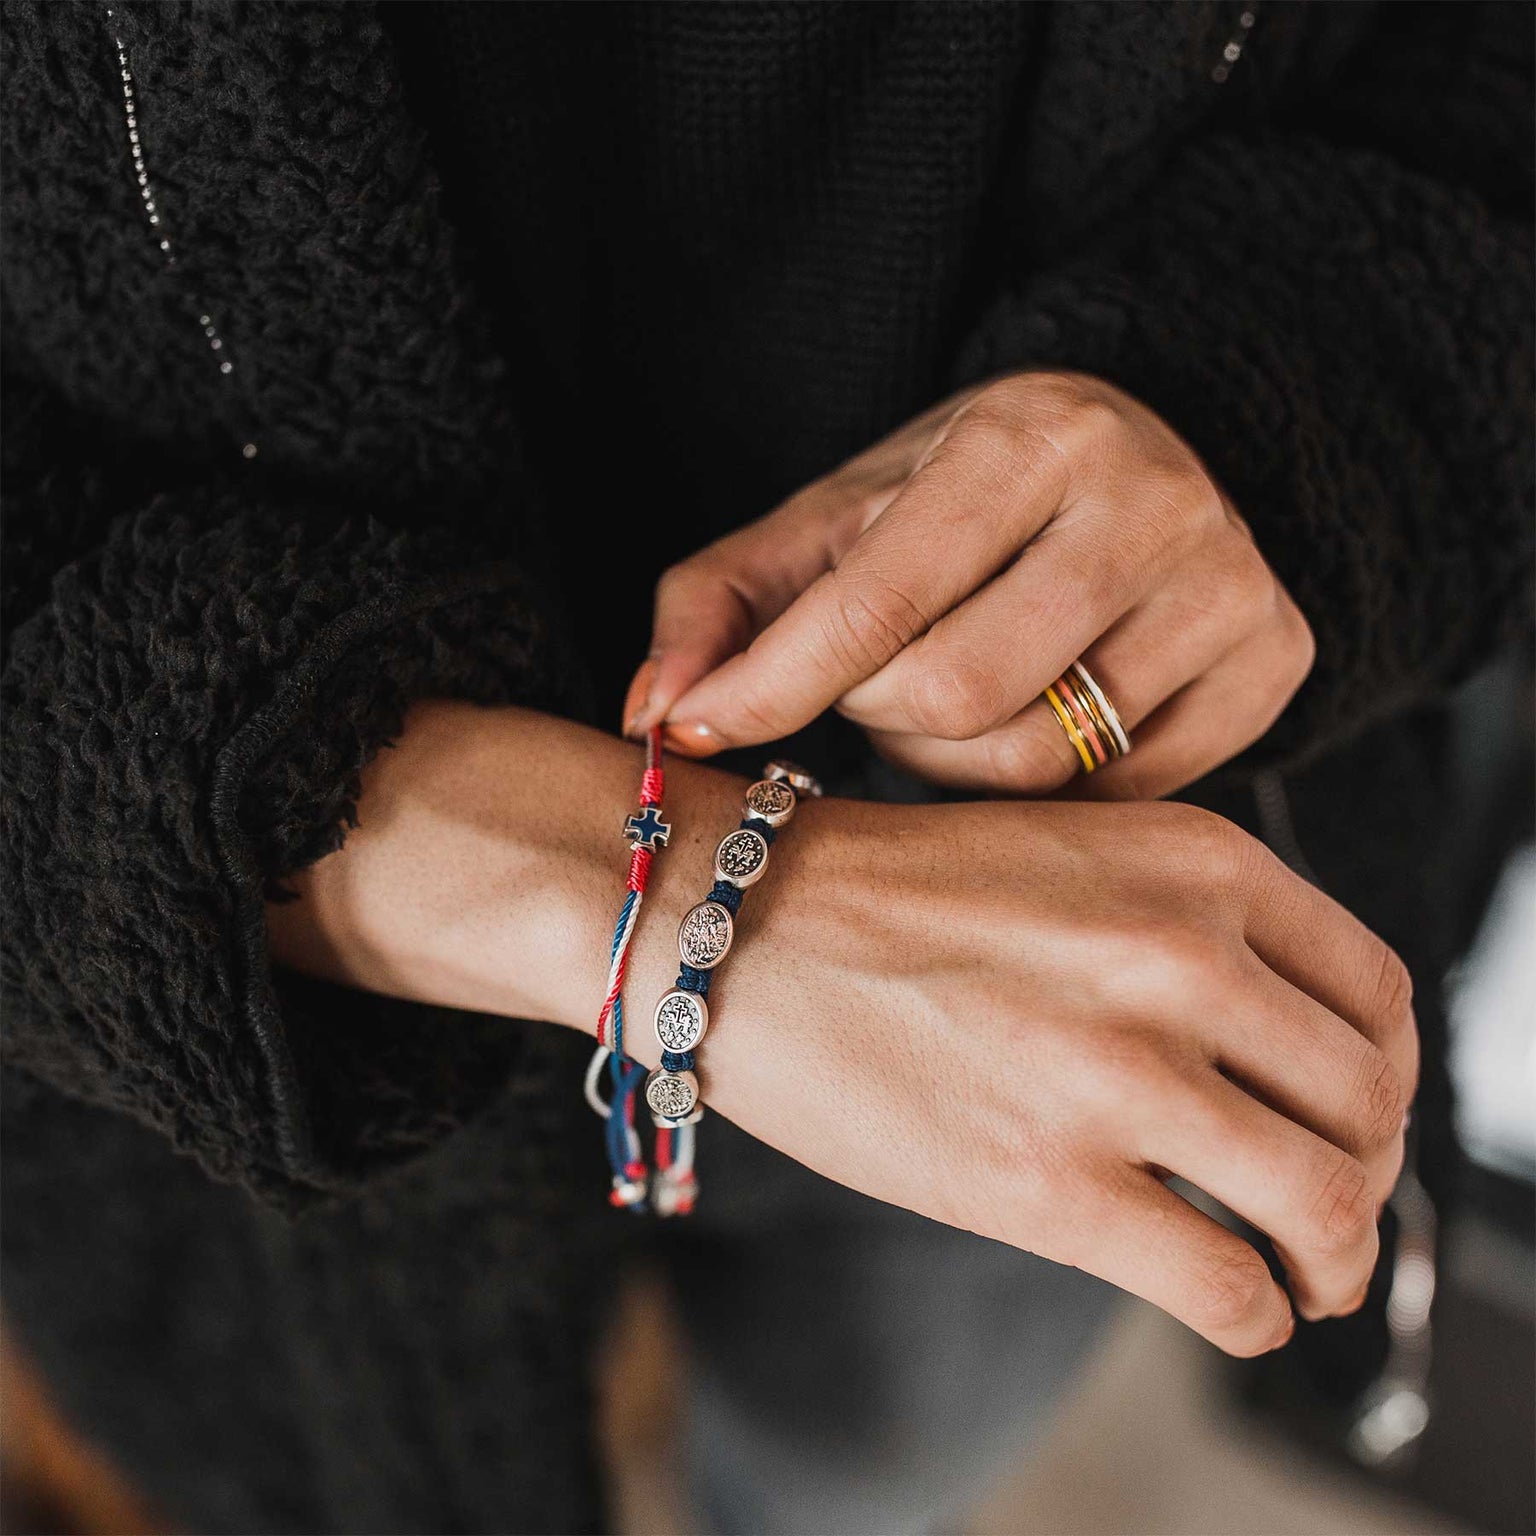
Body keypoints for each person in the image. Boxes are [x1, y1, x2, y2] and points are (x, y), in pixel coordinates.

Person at [2, 3, 1529, 1532]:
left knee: (865, 1468)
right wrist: (646, 898)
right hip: (237, 1021)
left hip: (1067, 928)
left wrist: (1265, 430)